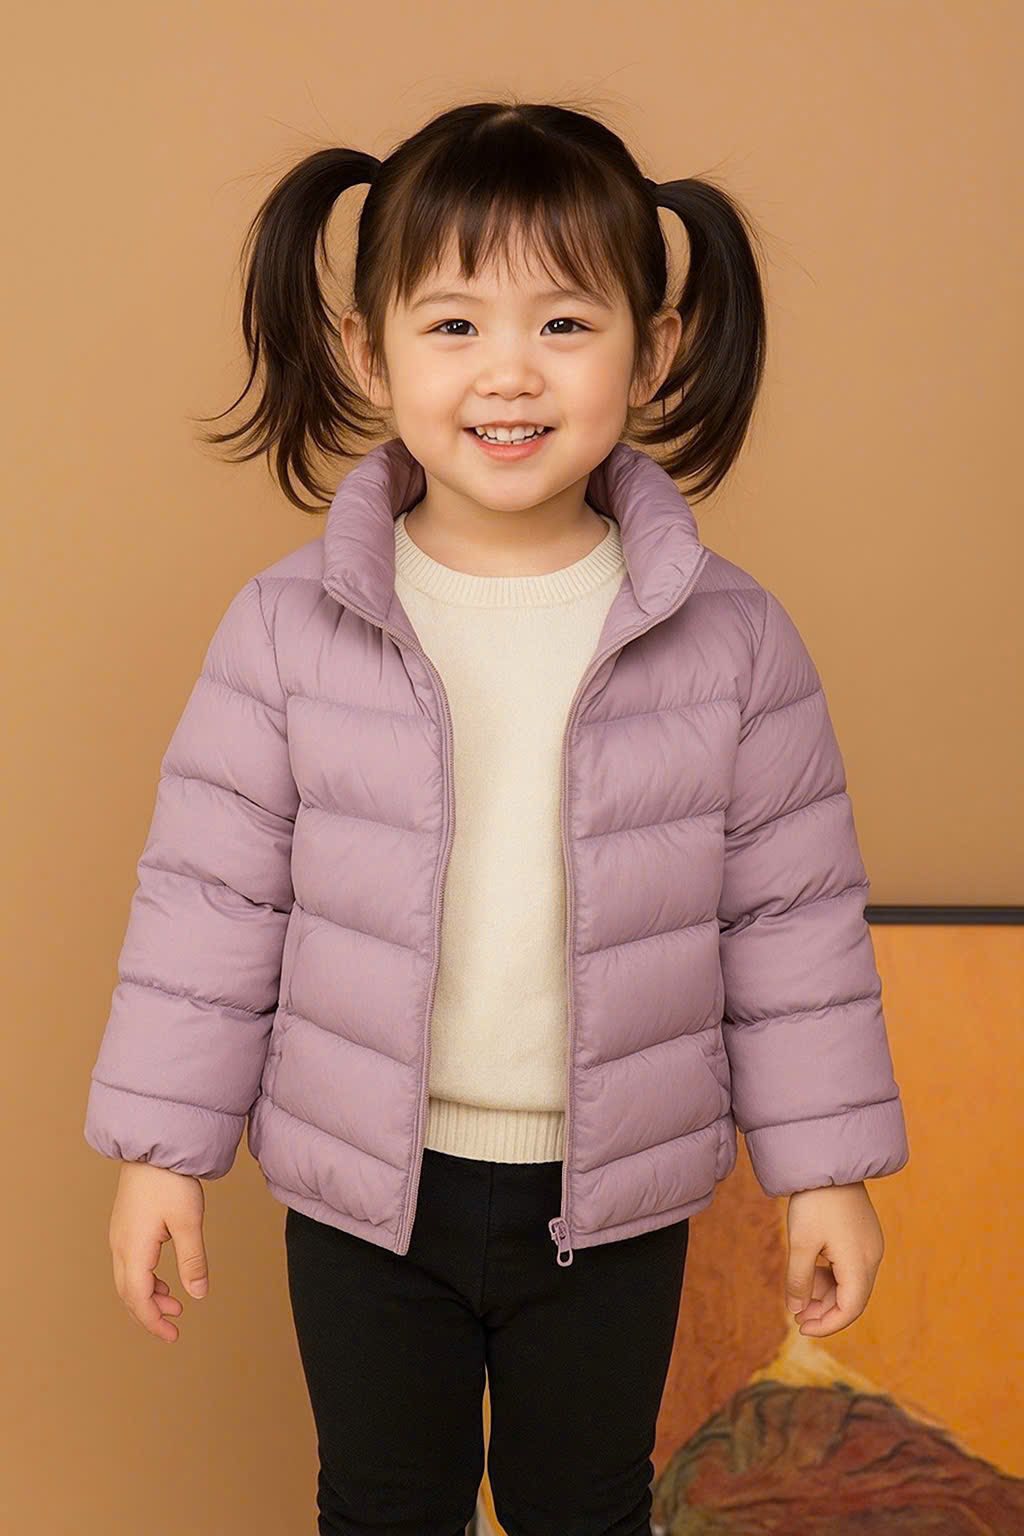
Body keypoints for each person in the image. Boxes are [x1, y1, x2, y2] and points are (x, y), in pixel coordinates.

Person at [83, 97, 910, 1536]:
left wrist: (825, 1173)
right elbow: (212, 900)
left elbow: (791, 922)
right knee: (383, 1503)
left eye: (566, 324)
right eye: (455, 325)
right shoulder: (288, 627)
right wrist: (162, 1149)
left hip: (610, 1200)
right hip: (366, 1196)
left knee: (581, 1503)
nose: (510, 372)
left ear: (654, 349)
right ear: (371, 352)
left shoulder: (733, 640)